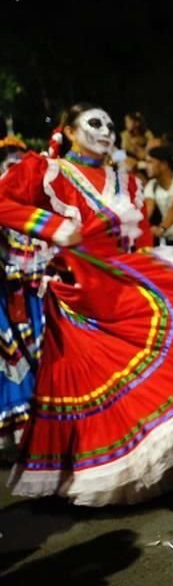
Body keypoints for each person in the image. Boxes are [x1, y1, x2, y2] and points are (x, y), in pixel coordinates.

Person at [0, 103, 173, 505]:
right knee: (93, 390)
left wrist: (157, 275)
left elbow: (139, 243)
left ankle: (144, 473)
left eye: (110, 125)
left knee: (147, 379)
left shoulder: (128, 182)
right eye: (94, 123)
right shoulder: (45, 171)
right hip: (77, 299)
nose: (106, 131)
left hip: (125, 293)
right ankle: (97, 476)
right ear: (68, 130)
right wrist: (51, 227)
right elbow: (3, 203)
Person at [0, 137, 50, 456]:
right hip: (8, 290)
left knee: (42, 352)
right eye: (7, 167)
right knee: (12, 353)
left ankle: (48, 427)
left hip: (39, 288)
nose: (13, 173)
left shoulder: (40, 202)